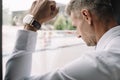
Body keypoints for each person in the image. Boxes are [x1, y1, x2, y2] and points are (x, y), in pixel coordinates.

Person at [5, 0, 120, 80]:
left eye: (75, 26)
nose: (78, 35)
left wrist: (31, 24)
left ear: (86, 16)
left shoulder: (100, 63)